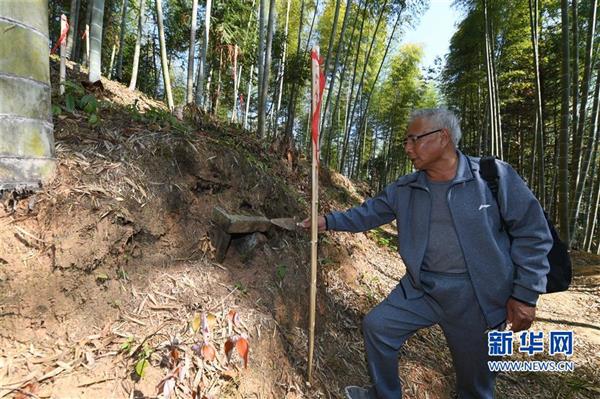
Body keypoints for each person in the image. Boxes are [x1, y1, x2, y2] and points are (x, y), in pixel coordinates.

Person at [301, 108, 552, 399]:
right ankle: (385, 394)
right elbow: (368, 213)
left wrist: (525, 294)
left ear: (443, 137)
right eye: (406, 141)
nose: (407, 147)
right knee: (378, 326)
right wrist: (327, 222)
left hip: (478, 297)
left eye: (413, 139)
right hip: (423, 288)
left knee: (476, 384)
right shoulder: (406, 188)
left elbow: (533, 232)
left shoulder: (491, 177)